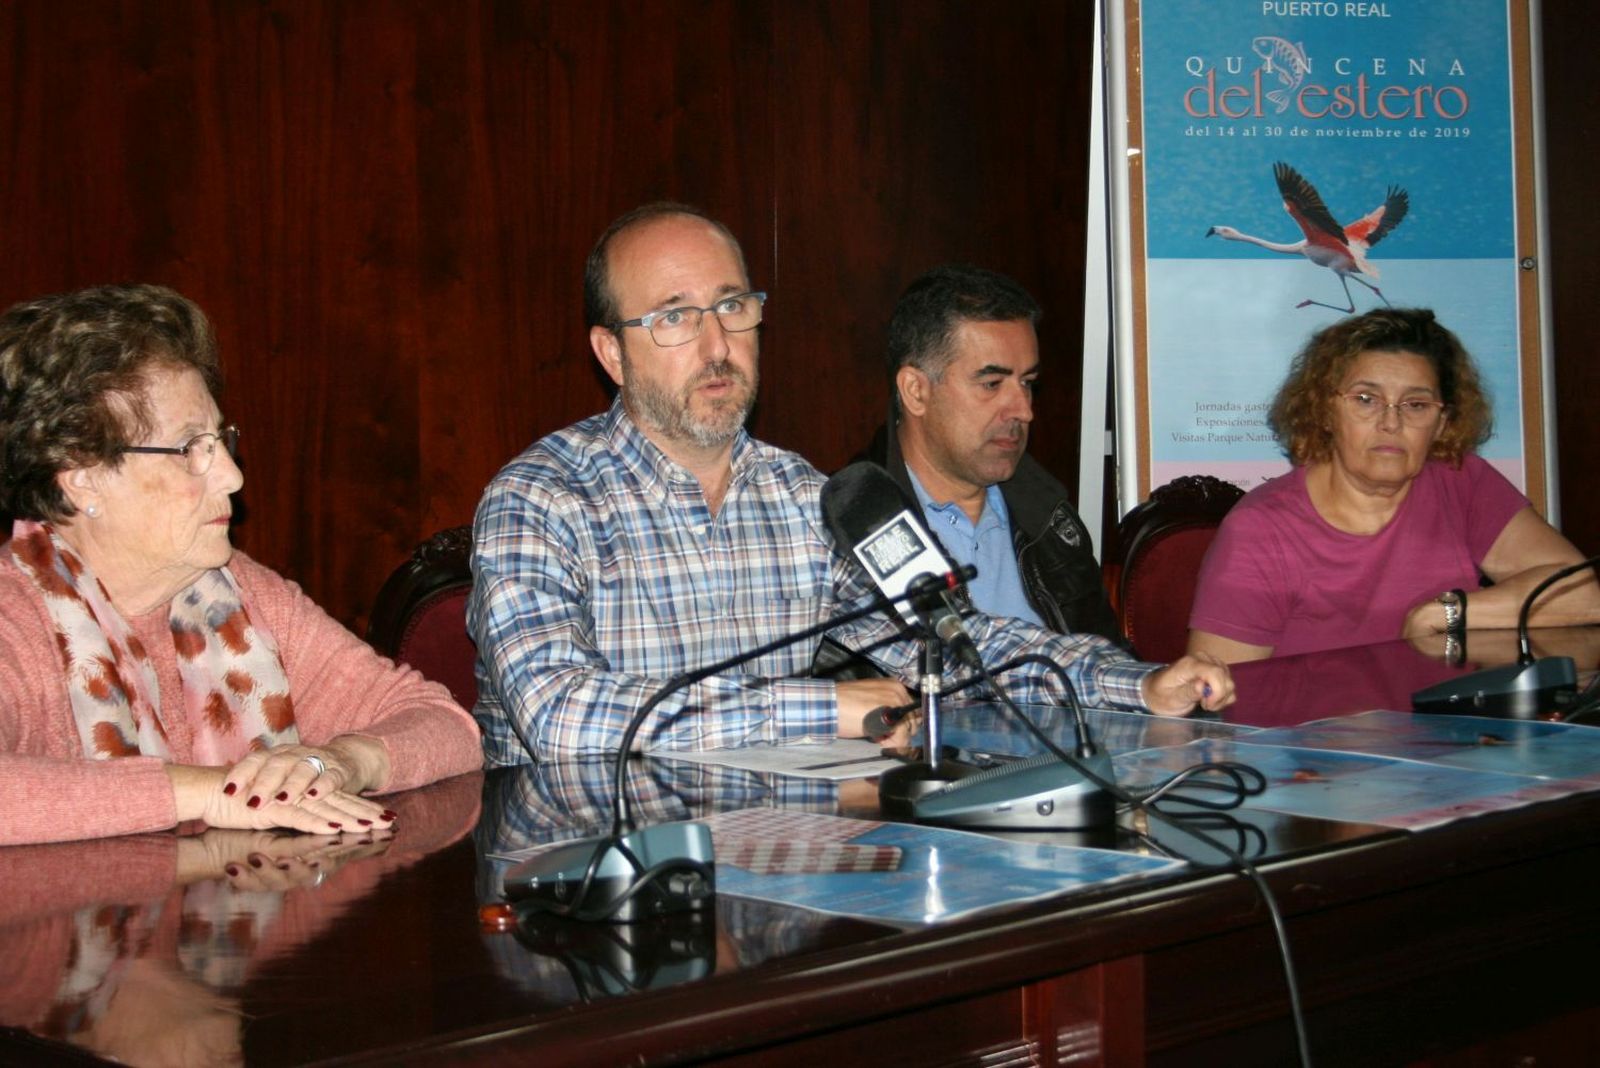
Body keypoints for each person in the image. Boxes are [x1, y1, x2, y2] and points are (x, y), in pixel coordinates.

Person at [468, 203, 1232, 764]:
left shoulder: (805, 497)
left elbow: (952, 641)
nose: (717, 344)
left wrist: (1136, 684)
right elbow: (558, 716)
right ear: (611, 352)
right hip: (587, 878)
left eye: (733, 307)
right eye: (674, 318)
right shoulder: (541, 498)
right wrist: (822, 709)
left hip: (767, 858)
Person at [0, 284, 482, 846]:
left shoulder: (233, 595)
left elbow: (447, 725)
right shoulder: (16, 620)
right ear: (80, 475)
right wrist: (220, 792)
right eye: (190, 449)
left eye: (220, 440)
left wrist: (341, 762)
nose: (232, 476)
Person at [1187, 307, 1599, 663]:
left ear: (1441, 423)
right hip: (1313, 750)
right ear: (1325, 411)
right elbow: (1222, 705)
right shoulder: (1260, 531)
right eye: (1366, 399)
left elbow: (1583, 594)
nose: (1390, 422)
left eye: (1415, 405)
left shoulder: (1461, 482)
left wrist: (1447, 614)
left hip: (1452, 743)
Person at [857, 263, 1120, 642]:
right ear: (916, 391)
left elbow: (1110, 660)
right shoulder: (853, 526)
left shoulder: (1046, 517)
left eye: (1027, 383)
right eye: (992, 384)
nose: (1024, 410)